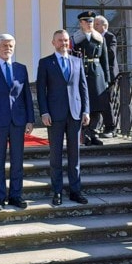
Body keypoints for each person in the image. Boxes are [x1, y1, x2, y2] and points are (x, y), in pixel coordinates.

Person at [0, 34, 35, 211]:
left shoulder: (21, 68)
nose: (7, 48)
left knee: (17, 161)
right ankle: (0, 198)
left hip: (18, 121)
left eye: (10, 45)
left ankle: (16, 196)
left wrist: (30, 120)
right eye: (4, 45)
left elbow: (26, 95)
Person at [36, 29, 90, 206]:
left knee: (75, 156)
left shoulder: (77, 61)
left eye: (66, 40)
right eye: (60, 40)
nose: (63, 43)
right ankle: (57, 191)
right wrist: (44, 112)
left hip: (75, 114)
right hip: (54, 114)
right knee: (56, 156)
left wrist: (86, 111)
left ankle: (75, 191)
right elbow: (41, 90)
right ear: (53, 43)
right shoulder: (45, 63)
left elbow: (83, 88)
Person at [71, 11, 111, 146]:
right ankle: (84, 134)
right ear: (81, 23)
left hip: (97, 73)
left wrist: (107, 79)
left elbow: (105, 60)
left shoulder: (99, 38)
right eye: (86, 21)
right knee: (83, 104)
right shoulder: (75, 39)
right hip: (81, 72)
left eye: (91, 21)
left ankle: (93, 133)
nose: (89, 24)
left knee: (97, 105)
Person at [94, 15, 120, 138]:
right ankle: (98, 125)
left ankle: (111, 127)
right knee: (99, 99)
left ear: (104, 25)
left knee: (106, 100)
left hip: (109, 75)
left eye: (97, 24)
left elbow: (110, 55)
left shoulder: (110, 37)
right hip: (98, 74)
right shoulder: (95, 38)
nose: (94, 26)